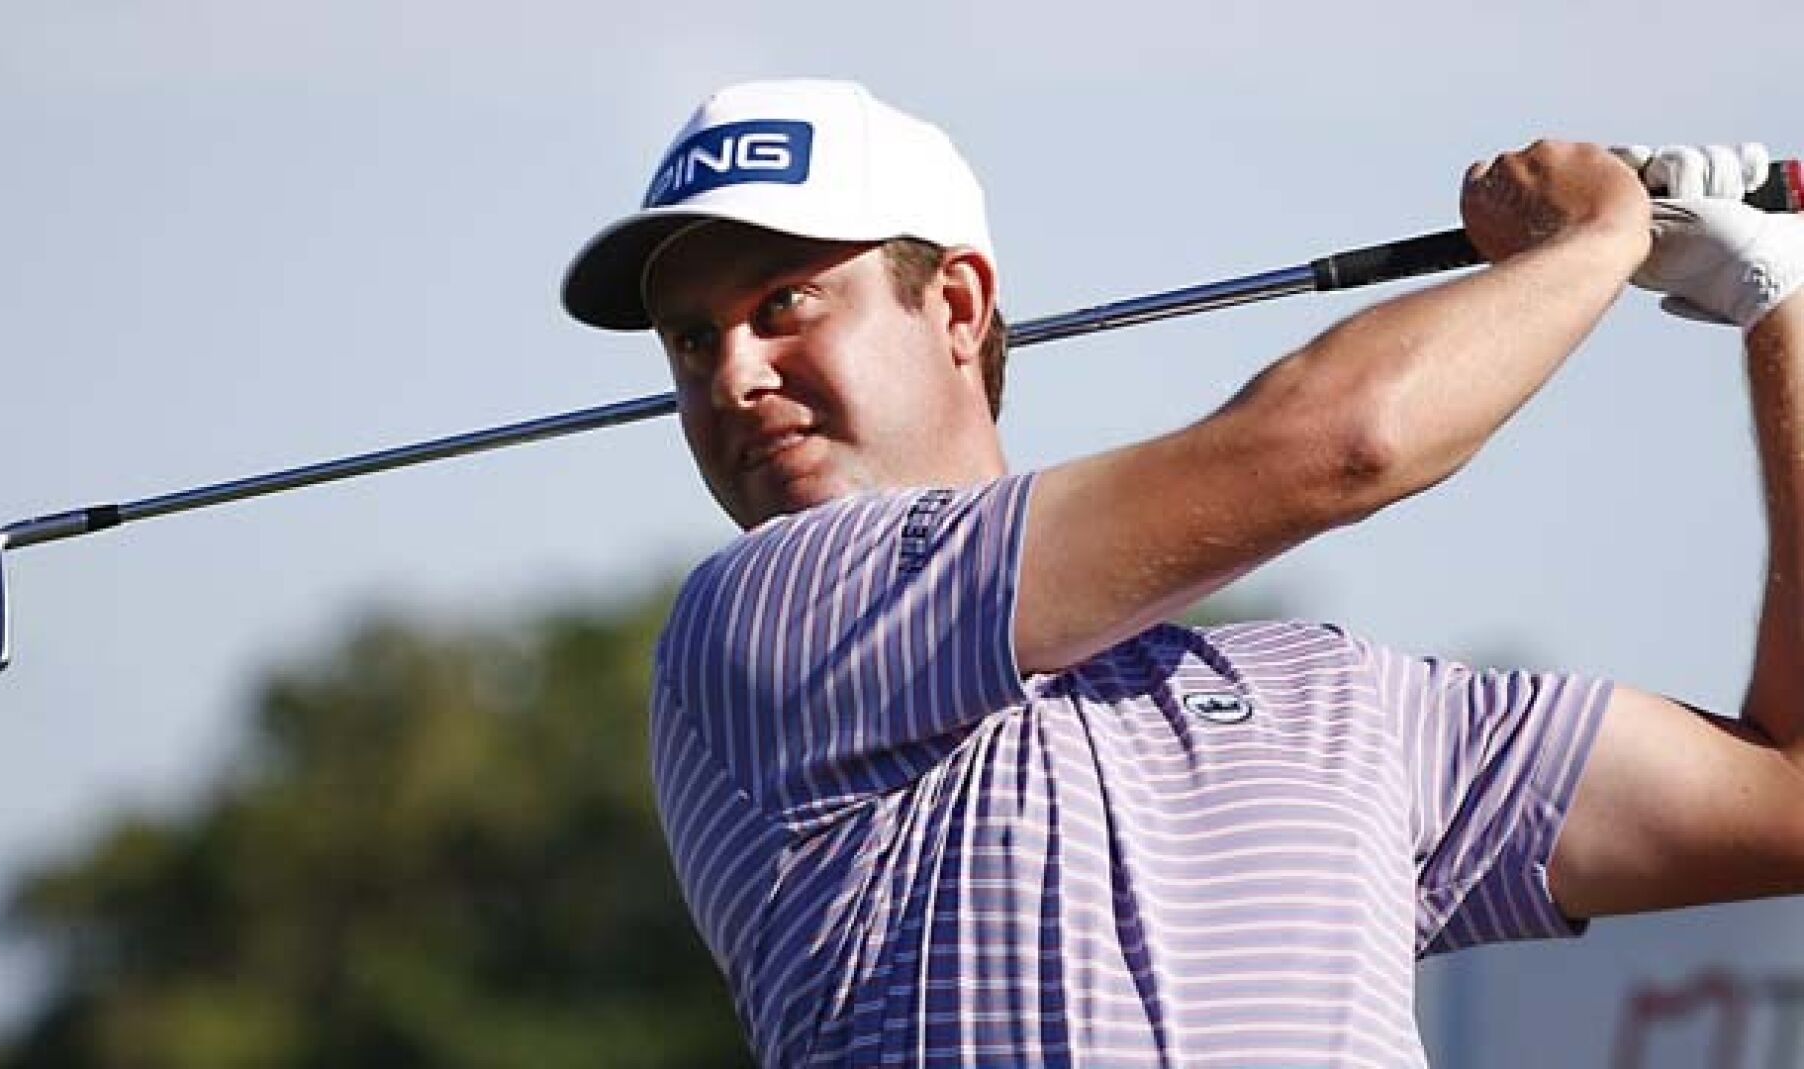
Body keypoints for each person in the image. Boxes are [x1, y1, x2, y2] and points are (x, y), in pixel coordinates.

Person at [560, 79, 1804, 1066]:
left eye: (785, 302)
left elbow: (1786, 795)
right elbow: (1342, 442)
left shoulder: (1342, 704)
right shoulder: (766, 620)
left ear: (956, 306)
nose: (732, 374)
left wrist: (1780, 299)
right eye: (692, 339)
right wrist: (1592, 239)